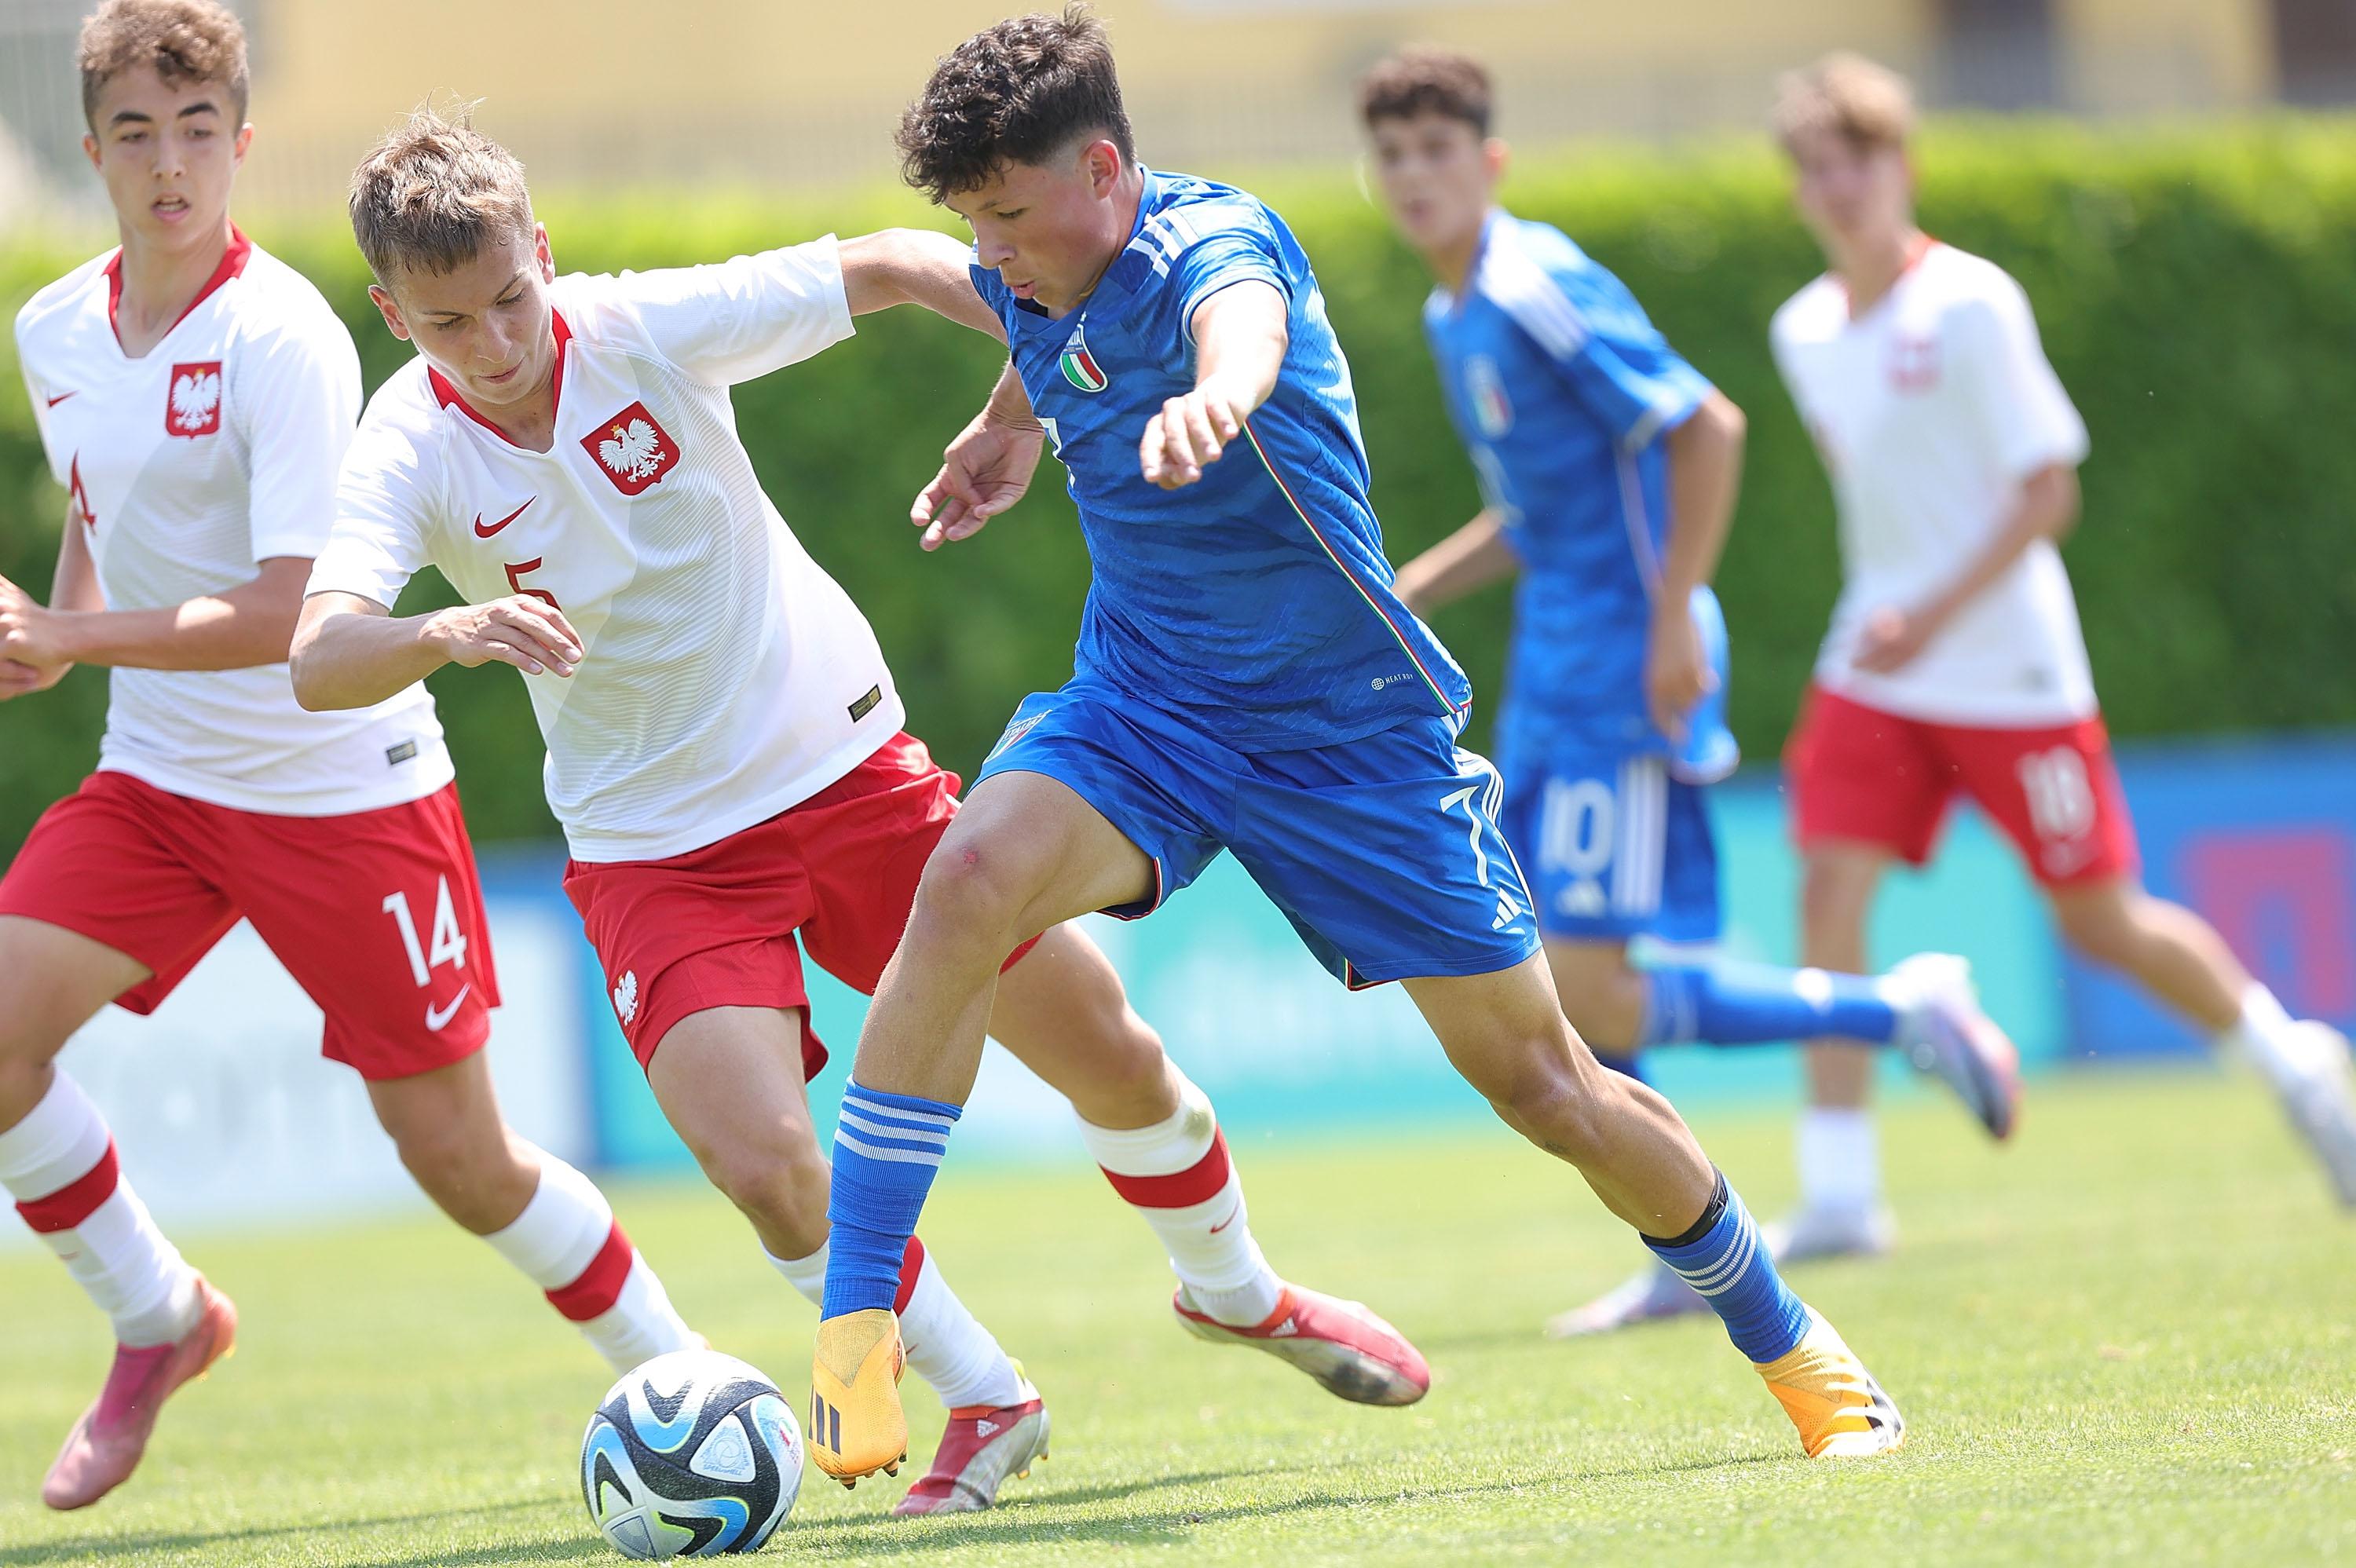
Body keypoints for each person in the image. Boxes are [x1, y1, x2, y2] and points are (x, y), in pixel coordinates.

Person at [807, 5, 1912, 1488]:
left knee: (1549, 1085)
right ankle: (854, 1326)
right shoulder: (1031, 268)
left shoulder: (1217, 252)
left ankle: (1804, 1353)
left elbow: (1236, 325)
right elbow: (934, 281)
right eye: (976, 226)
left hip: (1354, 741)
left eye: (1011, 216)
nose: (993, 251)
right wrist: (1007, 418)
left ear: (1110, 173)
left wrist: (1218, 394)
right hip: (1150, 709)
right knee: (966, 878)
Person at [290, 105, 1429, 1515]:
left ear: (545, 251)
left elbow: (893, 260)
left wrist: (1056, 365)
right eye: (452, 321)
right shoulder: (400, 447)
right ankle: (991, 1392)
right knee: (765, 1160)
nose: (499, 342)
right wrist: (444, 636)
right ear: (393, 313)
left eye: (514, 296)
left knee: (1115, 1061)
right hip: (654, 848)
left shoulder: (640, 323)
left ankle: (1238, 1292)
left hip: (848, 777)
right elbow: (318, 652)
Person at [0, 0, 701, 1513]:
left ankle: (677, 1367)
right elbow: (97, 510)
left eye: (198, 132)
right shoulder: (52, 326)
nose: (169, 164)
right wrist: (50, 629)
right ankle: (158, 1315)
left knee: (462, 1160)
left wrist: (74, 644)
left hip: (344, 788)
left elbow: (287, 613)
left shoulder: (285, 337)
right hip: (162, 783)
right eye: (136, 133)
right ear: (95, 150)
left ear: (241, 144)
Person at [1355, 46, 2021, 1337]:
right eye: (1392, 155)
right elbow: (1538, 510)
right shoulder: (1456, 313)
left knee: (1590, 993)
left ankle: (1905, 1010)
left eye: (1439, 151)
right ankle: (1674, 1246)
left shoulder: (1535, 281)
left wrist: (1673, 617)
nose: (1413, 177)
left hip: (1619, 667)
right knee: (1564, 978)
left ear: (1489, 164)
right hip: (1556, 670)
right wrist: (1409, 589)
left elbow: (1705, 425)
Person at [1766, 53, 2356, 1242]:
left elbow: (2047, 494)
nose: (1840, 187)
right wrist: (1899, 614)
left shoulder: (1972, 302)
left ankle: (2297, 1068)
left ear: (1904, 167)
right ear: (1797, 190)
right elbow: (1878, 496)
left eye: (1859, 160)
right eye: (1816, 168)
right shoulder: (1803, 329)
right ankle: (1840, 1193)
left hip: (2009, 669)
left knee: (2099, 917)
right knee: (1827, 889)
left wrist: (1930, 609)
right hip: (1874, 662)